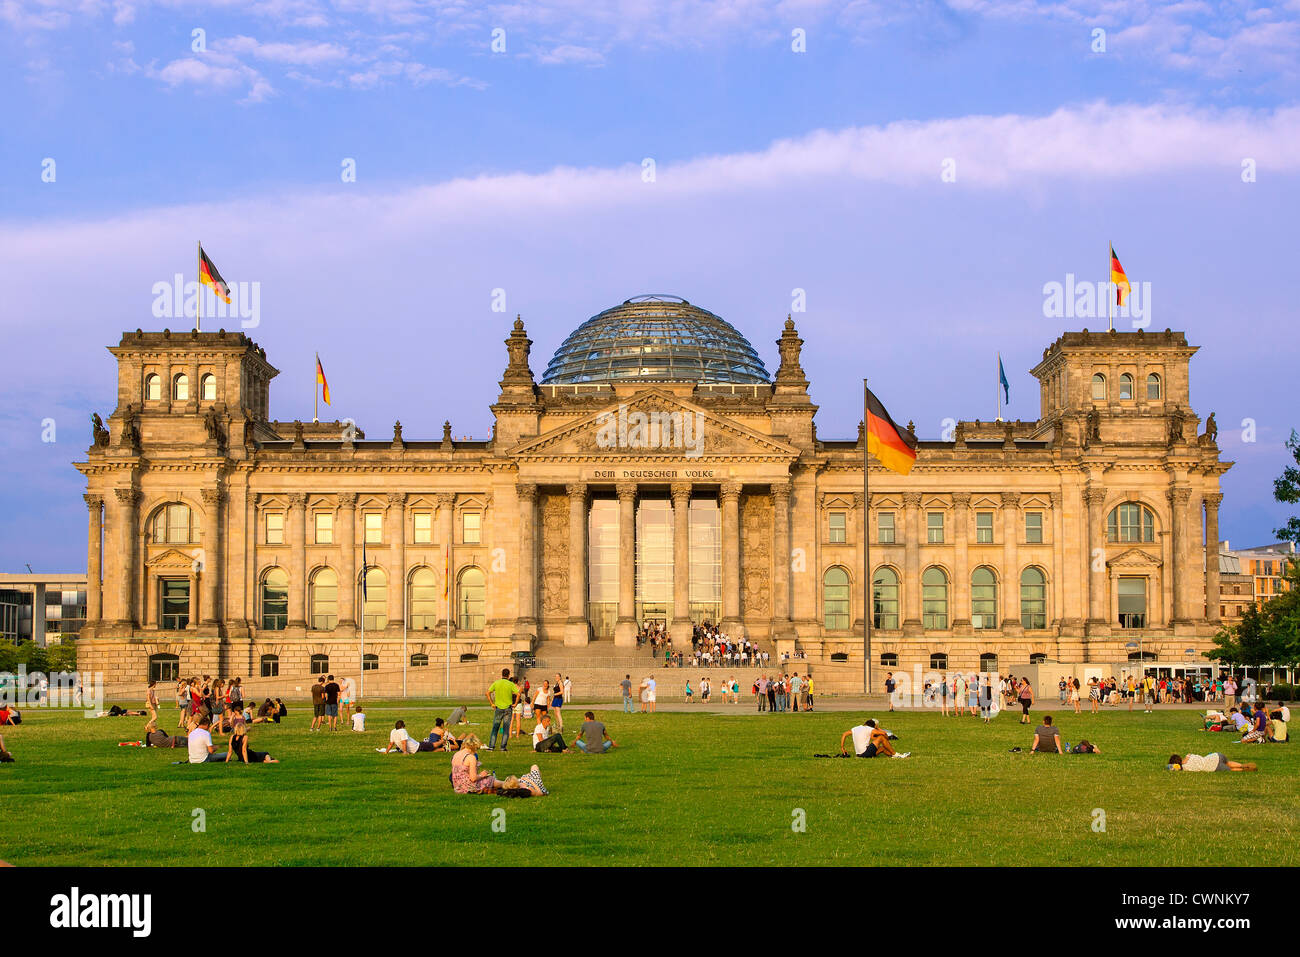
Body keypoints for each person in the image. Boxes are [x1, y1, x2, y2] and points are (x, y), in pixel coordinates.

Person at [485, 668, 520, 752]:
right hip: (508, 708)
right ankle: (503, 747)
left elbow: (487, 693)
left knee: (495, 728)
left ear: (502, 674)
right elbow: (518, 694)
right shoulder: (510, 684)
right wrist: (515, 703)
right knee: (506, 729)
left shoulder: (496, 683)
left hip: (498, 708)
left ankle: (491, 747)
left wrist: (492, 703)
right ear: (508, 675)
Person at [839, 719, 909, 758]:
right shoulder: (869, 728)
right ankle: (895, 753)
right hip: (865, 753)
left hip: (859, 755)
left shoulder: (855, 728)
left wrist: (842, 748)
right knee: (881, 737)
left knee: (882, 748)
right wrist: (878, 729)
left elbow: (844, 734)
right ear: (872, 726)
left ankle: (894, 756)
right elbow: (884, 733)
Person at [1168, 753, 1256, 772]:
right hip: (1215, 756)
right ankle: (1243, 765)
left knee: (1230, 769)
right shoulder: (1189, 756)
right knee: (1228, 763)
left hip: (1213, 767)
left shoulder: (1185, 768)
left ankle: (1244, 769)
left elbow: (1169, 767)